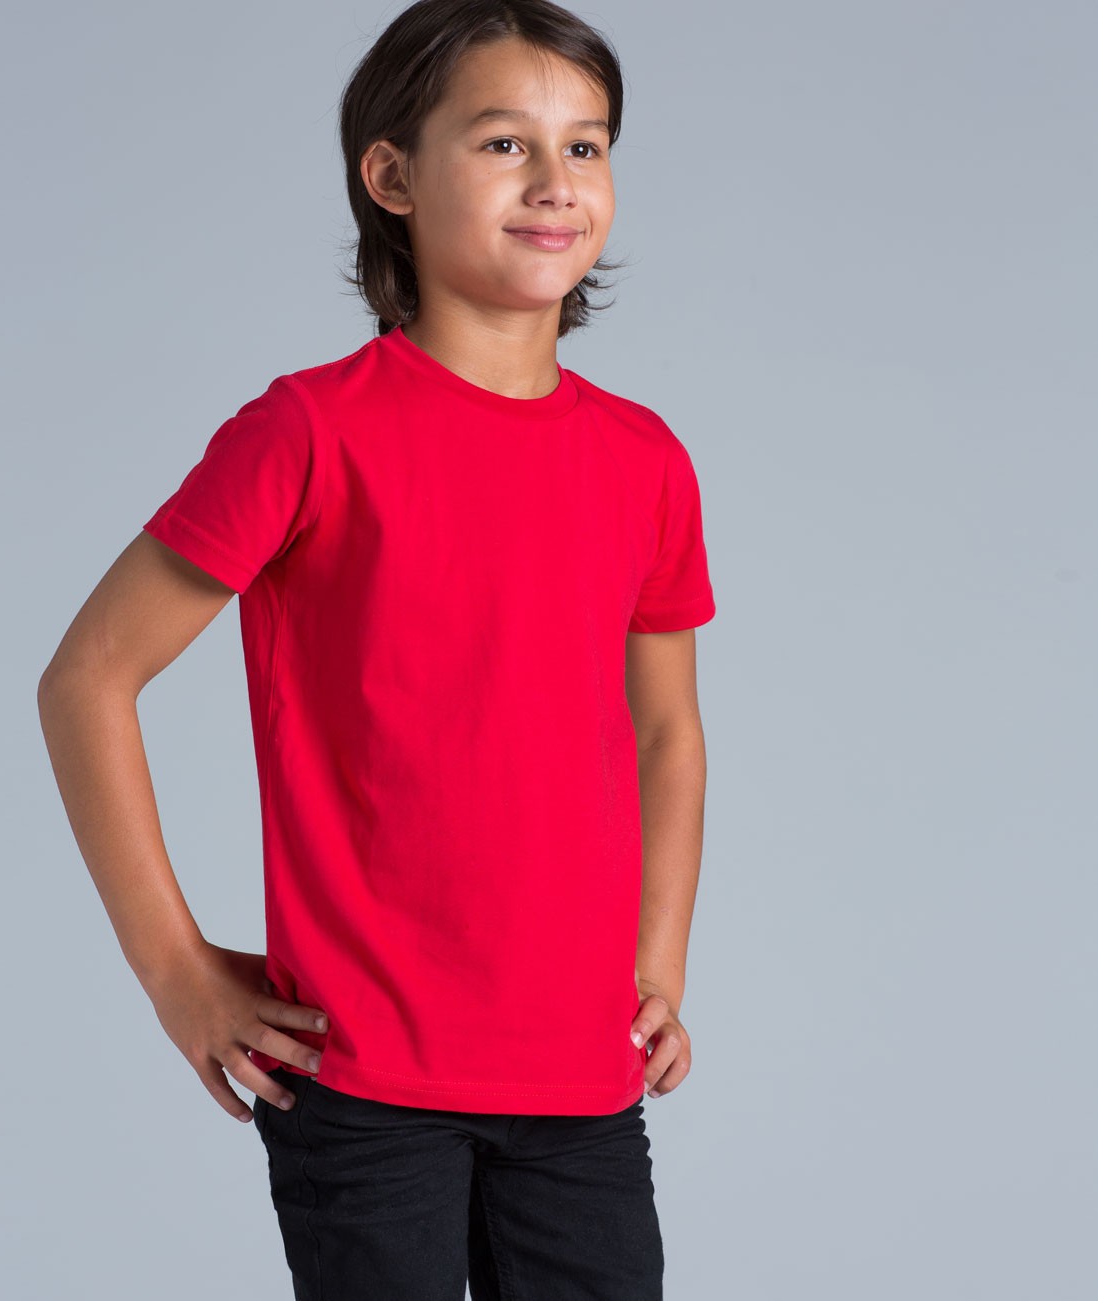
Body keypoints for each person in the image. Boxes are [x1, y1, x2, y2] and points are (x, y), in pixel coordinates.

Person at [38, 1, 716, 1296]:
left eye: (585, 146)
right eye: (505, 143)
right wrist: (176, 972)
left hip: (581, 1085)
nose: (555, 181)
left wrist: (658, 965)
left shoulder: (645, 460)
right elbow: (87, 680)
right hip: (361, 1082)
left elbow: (668, 730)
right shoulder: (307, 434)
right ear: (392, 176)